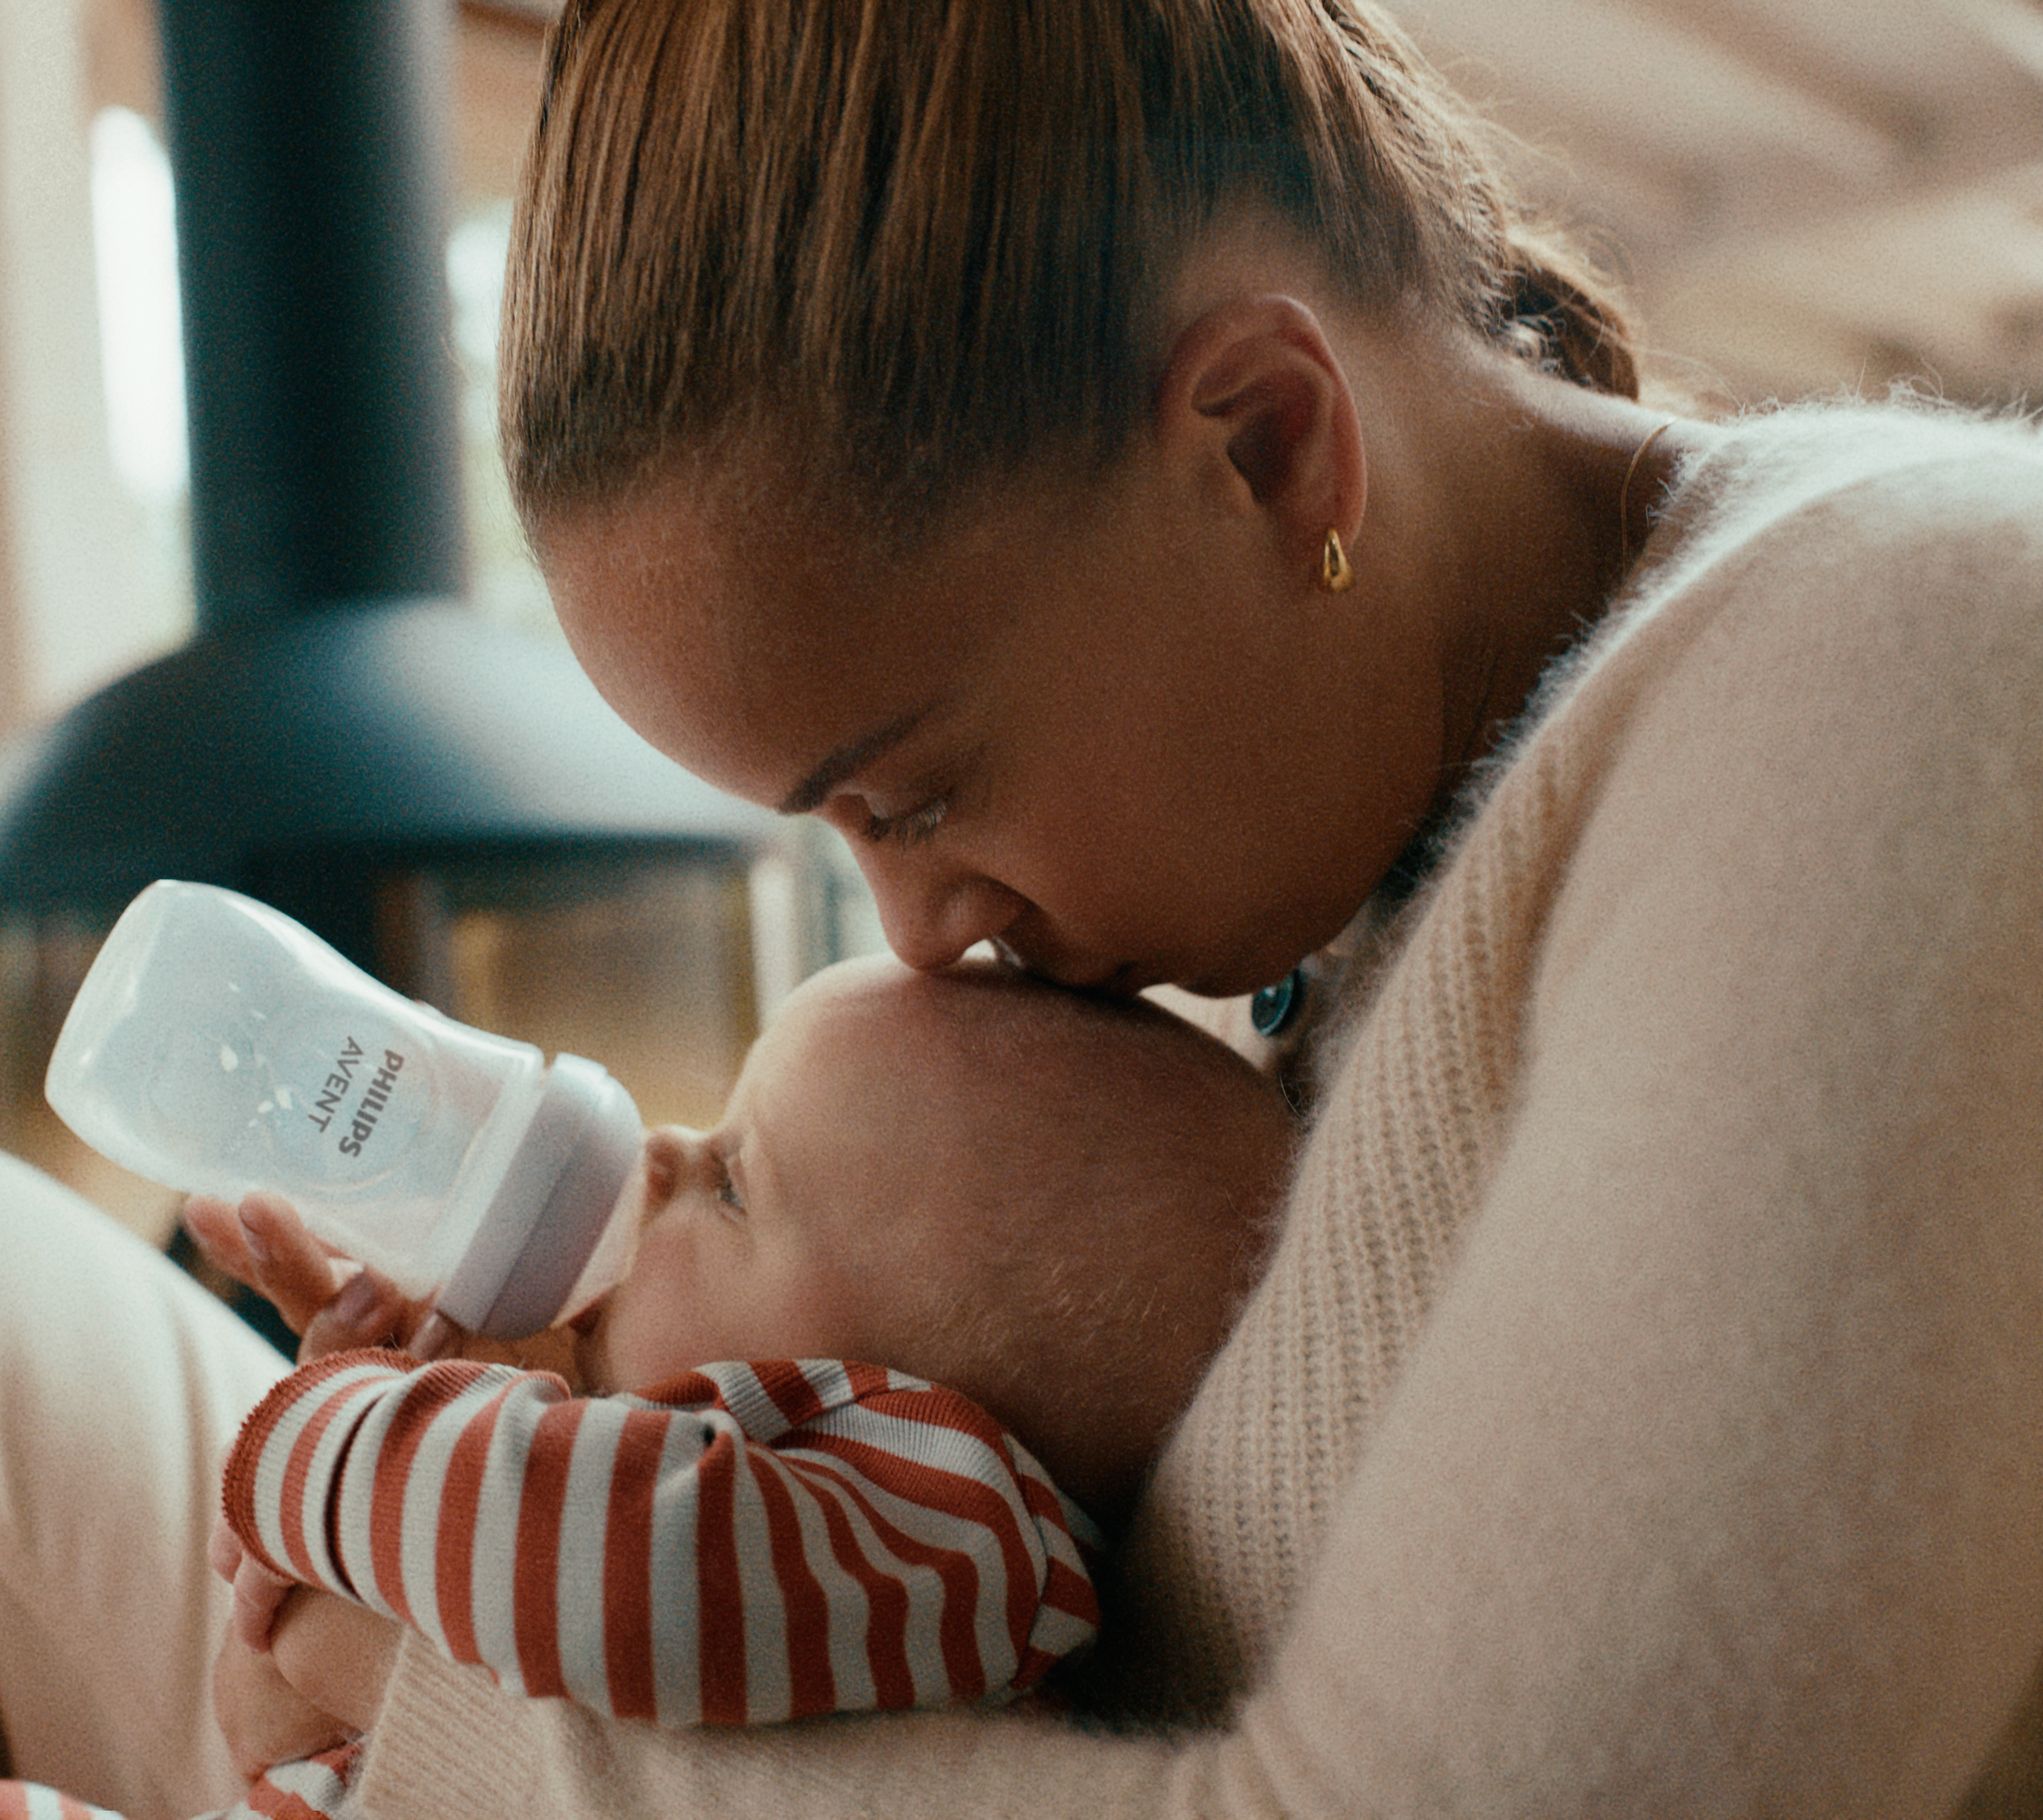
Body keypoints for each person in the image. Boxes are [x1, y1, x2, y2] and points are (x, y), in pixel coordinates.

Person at [234, 0, 2043, 1813]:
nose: (927, 937)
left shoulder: (1918, 666)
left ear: (1266, 445)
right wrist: (571, 1391)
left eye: (921, 793)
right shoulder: (1359, 865)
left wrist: (449, 1713)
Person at [0, 954, 1287, 1819]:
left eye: (735, 1175)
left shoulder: (954, 1518)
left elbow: (593, 1562)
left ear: (907, 1382)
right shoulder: (844, 1530)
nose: (652, 1144)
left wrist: (324, 1447)